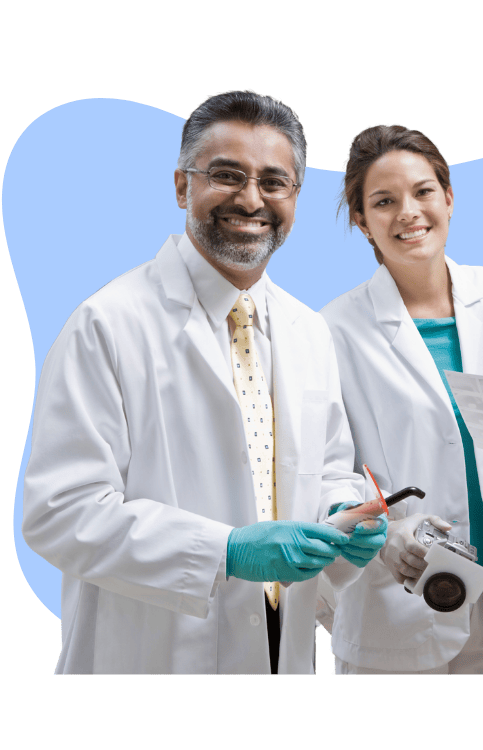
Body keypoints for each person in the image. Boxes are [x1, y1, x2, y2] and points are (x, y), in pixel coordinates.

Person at [21, 89, 386, 675]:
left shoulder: (307, 330)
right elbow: (59, 513)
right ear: (181, 186)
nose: (251, 199)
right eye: (226, 175)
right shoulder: (108, 324)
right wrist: (226, 551)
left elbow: (326, 468)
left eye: (274, 181)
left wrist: (344, 511)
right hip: (149, 658)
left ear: (295, 197)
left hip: (277, 649)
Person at [319, 124, 483, 674]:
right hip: (392, 605)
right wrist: (382, 535)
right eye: (383, 201)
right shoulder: (332, 329)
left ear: (448, 197)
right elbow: (327, 469)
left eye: (423, 191)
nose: (408, 212)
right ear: (361, 220)